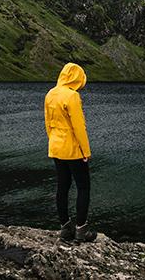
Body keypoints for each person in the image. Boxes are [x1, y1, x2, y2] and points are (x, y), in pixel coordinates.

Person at [44, 62, 97, 243]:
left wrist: (53, 141)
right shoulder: (72, 96)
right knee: (83, 187)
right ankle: (82, 230)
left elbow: (48, 123)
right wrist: (86, 151)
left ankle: (65, 228)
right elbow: (79, 127)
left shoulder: (50, 93)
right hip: (73, 149)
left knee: (62, 187)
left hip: (56, 147)